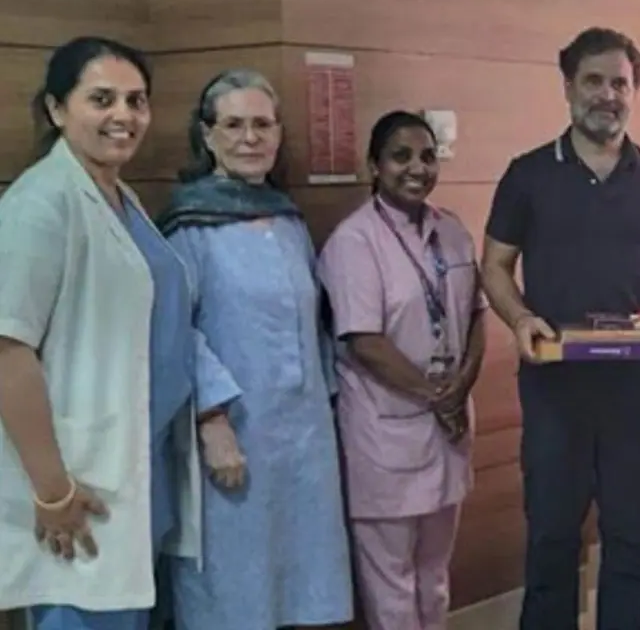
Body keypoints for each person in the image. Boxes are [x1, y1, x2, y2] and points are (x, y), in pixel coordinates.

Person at [480, 27, 640, 630]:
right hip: (555, 388)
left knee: (630, 537)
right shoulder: (527, 175)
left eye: (620, 83)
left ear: (635, 91)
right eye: (594, 81)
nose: (607, 95)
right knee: (552, 533)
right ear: (569, 87)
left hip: (634, 389)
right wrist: (521, 317)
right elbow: (494, 265)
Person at [0, 36, 201, 630]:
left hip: (136, 465)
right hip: (76, 482)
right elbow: (9, 350)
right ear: (57, 109)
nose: (124, 116)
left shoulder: (117, 196)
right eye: (102, 99)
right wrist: (53, 491)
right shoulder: (39, 203)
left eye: (137, 101)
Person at [155, 69, 353, 630]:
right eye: (234, 125)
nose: (250, 137)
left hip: (303, 441)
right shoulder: (189, 225)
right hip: (232, 439)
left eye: (262, 124)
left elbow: (313, 326)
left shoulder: (288, 220)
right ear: (207, 135)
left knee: (301, 587)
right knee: (233, 592)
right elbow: (176, 331)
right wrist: (213, 421)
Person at [317, 110, 487, 630]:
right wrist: (438, 395)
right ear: (374, 165)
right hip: (384, 435)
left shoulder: (452, 231)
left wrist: (459, 389)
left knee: (434, 576)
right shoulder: (354, 241)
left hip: (448, 429)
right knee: (392, 587)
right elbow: (363, 340)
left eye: (427, 156)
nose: (417, 168)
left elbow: (477, 316)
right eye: (401, 156)